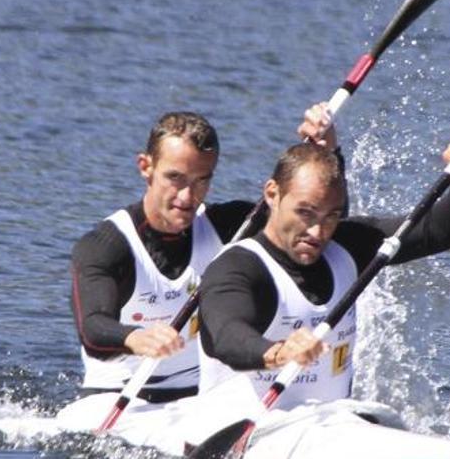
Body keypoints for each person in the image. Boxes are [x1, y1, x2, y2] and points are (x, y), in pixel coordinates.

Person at [191, 121, 450, 458]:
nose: (318, 232)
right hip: (243, 439)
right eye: (305, 212)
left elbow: (440, 229)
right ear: (272, 194)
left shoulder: (347, 245)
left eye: (331, 216)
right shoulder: (237, 267)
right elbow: (225, 337)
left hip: (328, 428)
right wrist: (278, 352)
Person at [69, 104, 338, 405]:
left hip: (200, 400)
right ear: (146, 167)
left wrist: (327, 154)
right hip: (117, 398)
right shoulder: (106, 245)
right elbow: (91, 328)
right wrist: (135, 338)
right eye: (175, 178)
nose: (187, 197)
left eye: (201, 180)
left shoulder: (229, 227)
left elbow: (322, 224)